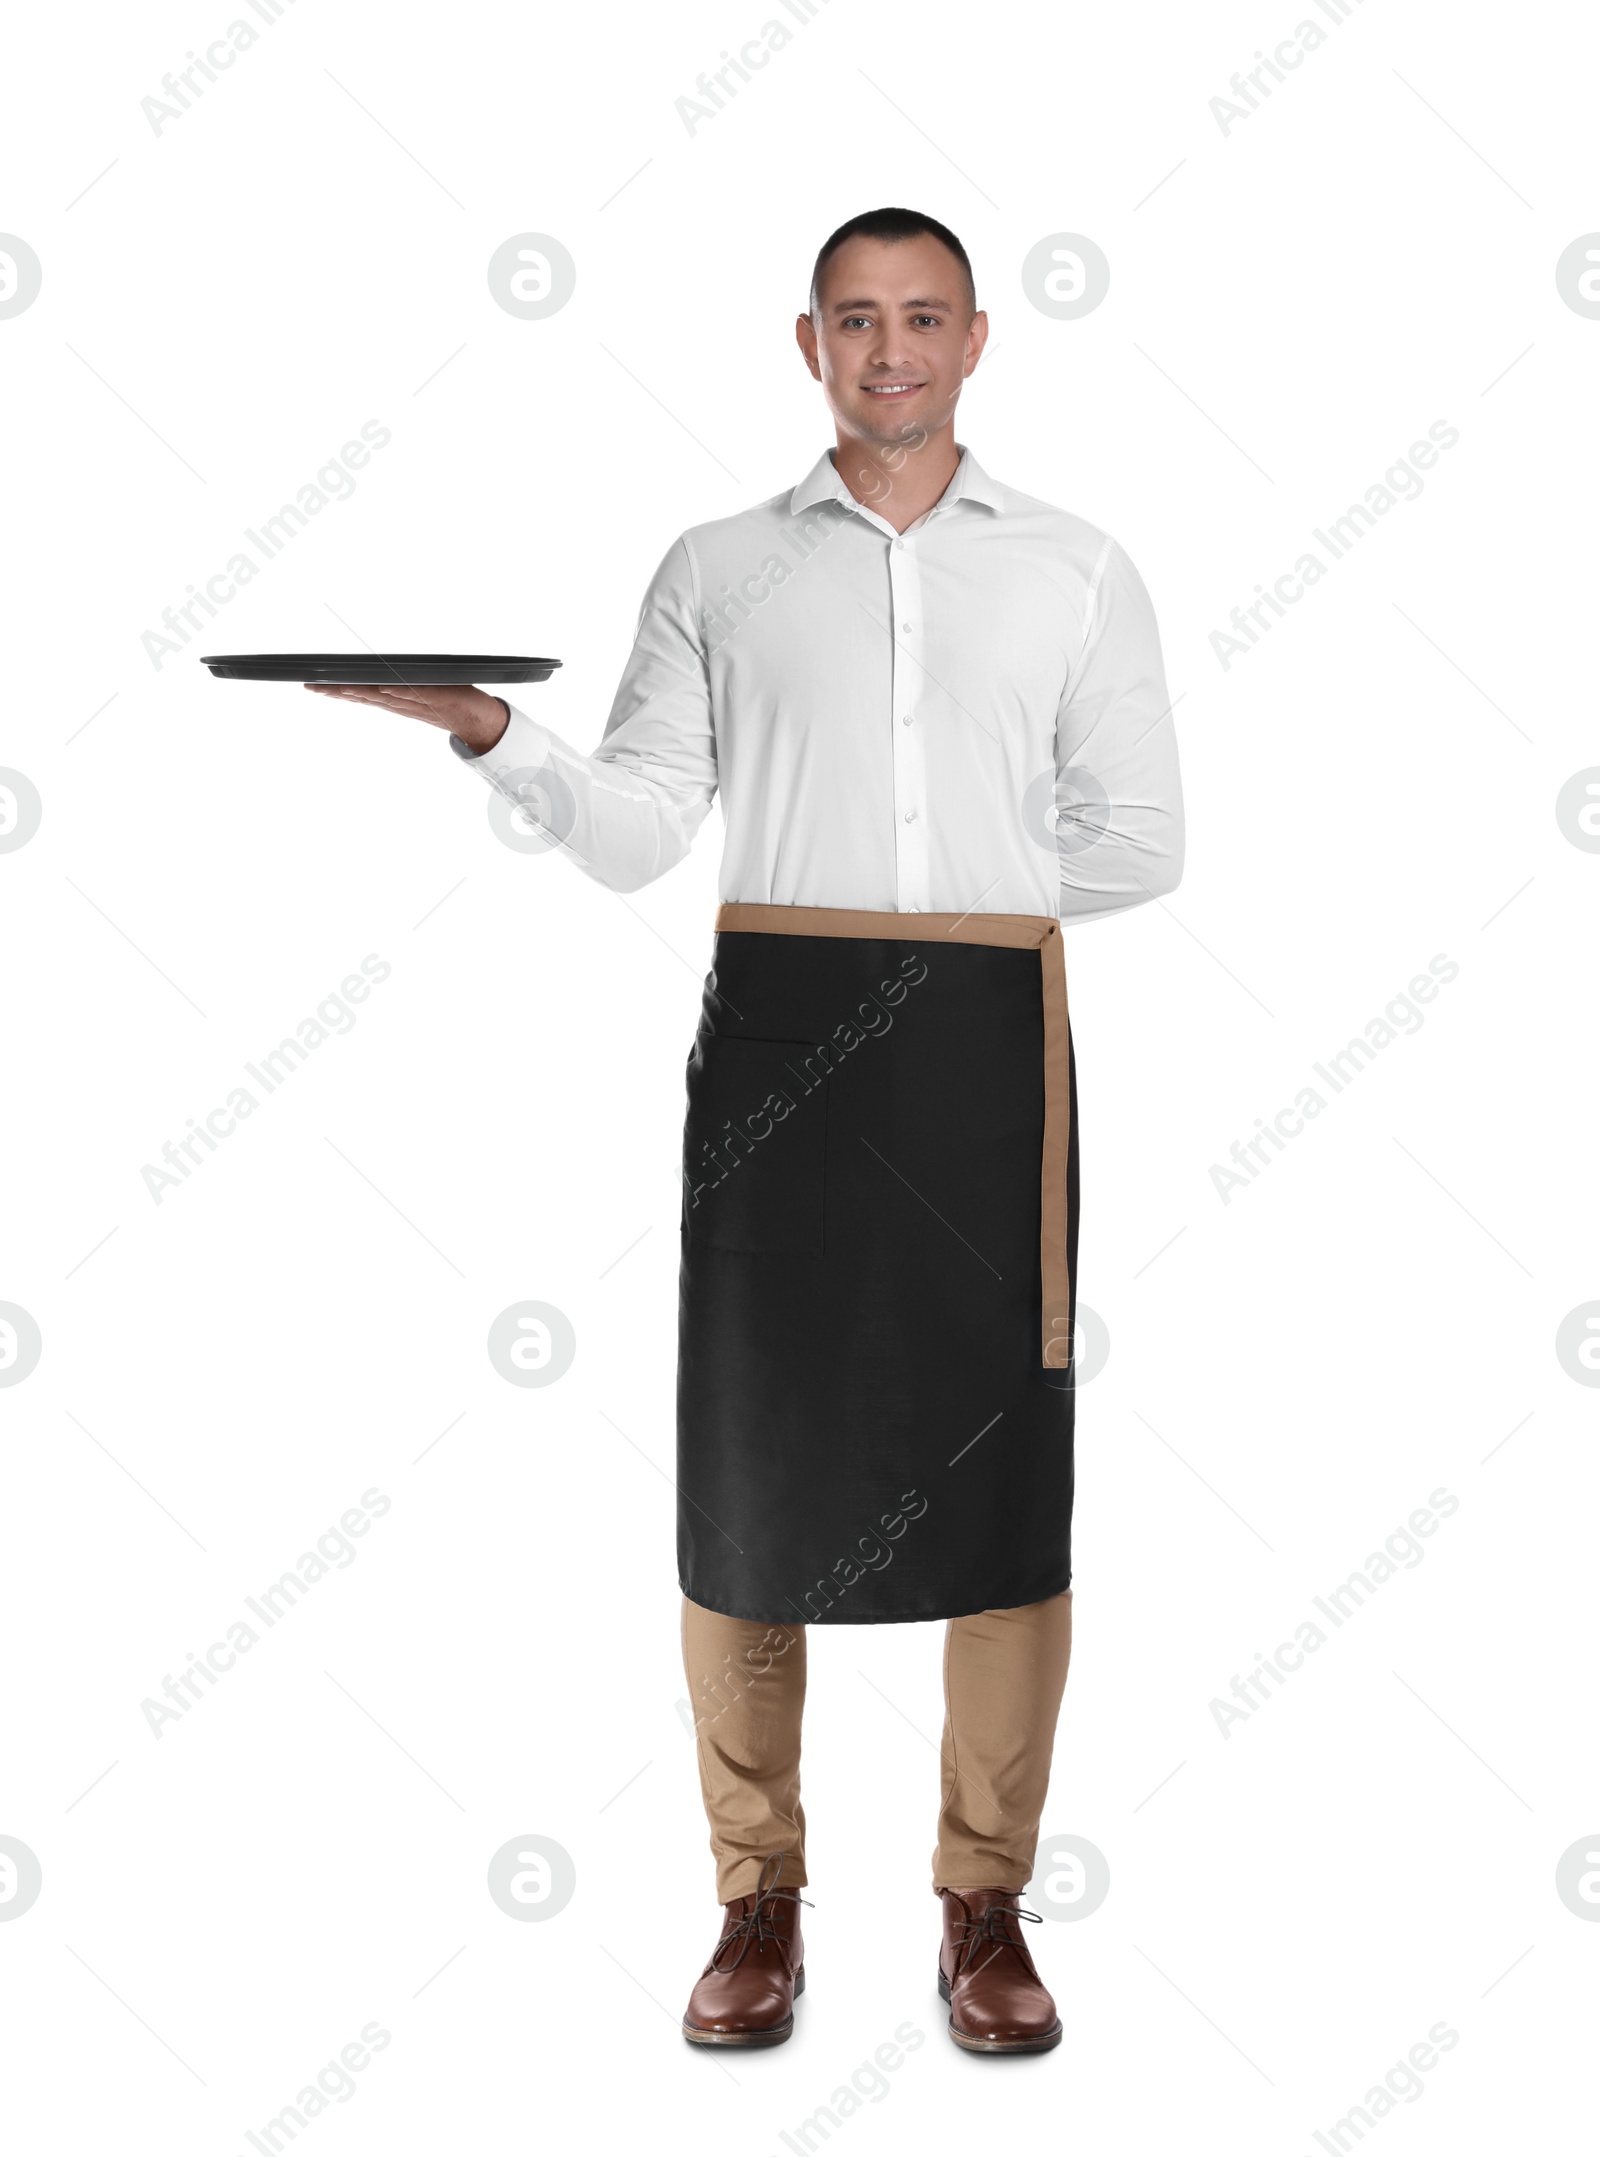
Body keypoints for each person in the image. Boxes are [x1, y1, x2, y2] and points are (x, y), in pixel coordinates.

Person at [309, 206, 1184, 2056]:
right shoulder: (717, 565)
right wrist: (490, 735)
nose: (889, 352)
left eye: (922, 319)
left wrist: (959, 896)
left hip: (985, 1052)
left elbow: (1144, 840)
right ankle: (754, 1896)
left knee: (1006, 1484)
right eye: (855, 321)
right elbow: (636, 830)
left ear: (974, 341)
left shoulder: (1080, 569)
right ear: (807, 345)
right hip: (779, 1051)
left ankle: (984, 1901)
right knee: (753, 1472)